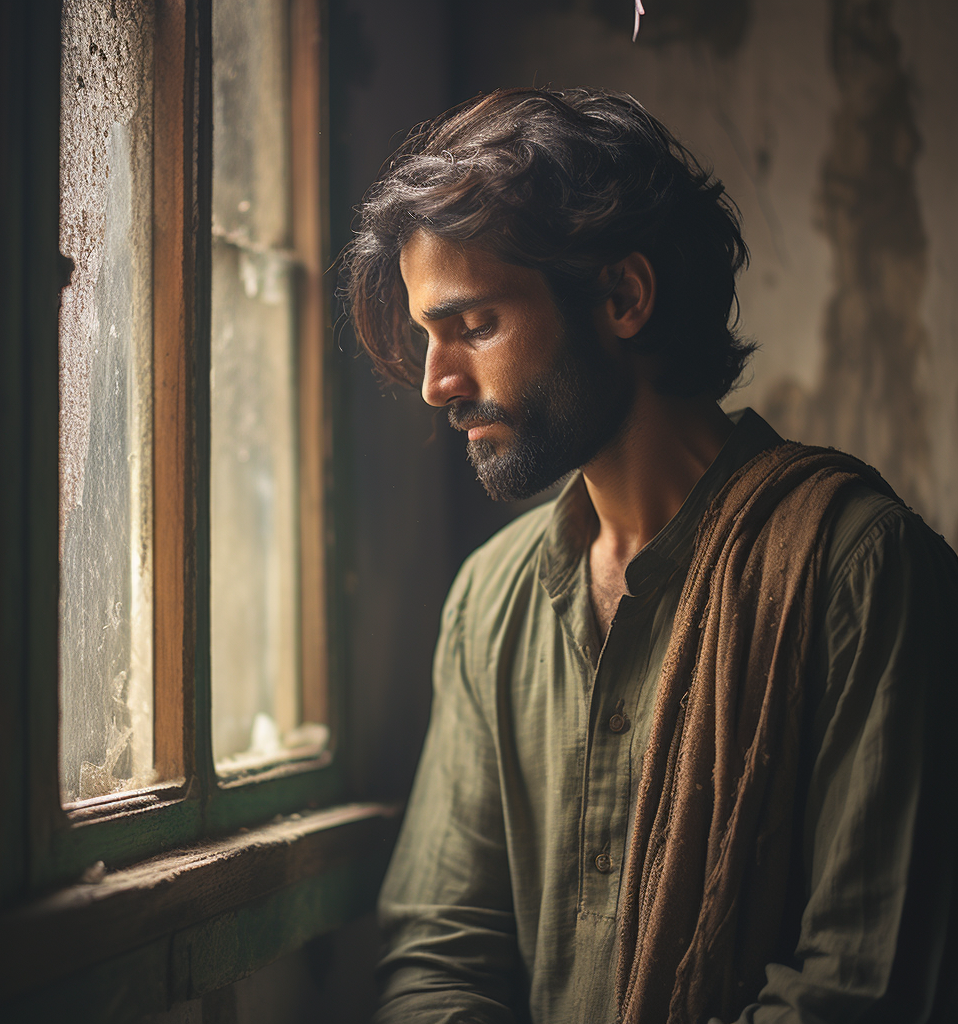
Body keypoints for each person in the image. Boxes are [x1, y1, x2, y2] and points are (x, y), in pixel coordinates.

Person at [340, 88, 958, 1024]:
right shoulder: (492, 598)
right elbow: (437, 952)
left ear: (623, 296)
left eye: (473, 327)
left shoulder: (859, 572)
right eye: (429, 338)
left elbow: (858, 992)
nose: (438, 383)